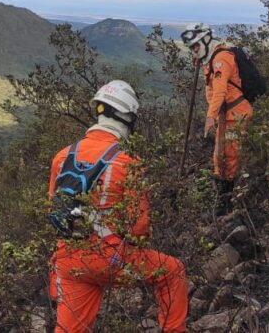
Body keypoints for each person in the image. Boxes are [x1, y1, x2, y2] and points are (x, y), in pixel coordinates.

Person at [48, 80, 188, 333]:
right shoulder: (127, 162)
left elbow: (52, 206)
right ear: (126, 117)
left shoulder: (62, 156)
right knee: (173, 272)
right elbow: (139, 228)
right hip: (109, 257)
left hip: (68, 260)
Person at [181, 24, 253, 215]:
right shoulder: (211, 59)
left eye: (196, 46)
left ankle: (226, 205)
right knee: (218, 157)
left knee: (230, 157)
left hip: (236, 115)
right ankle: (221, 202)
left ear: (205, 40)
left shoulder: (222, 59)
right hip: (225, 116)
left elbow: (220, 91)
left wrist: (209, 118)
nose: (194, 51)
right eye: (192, 48)